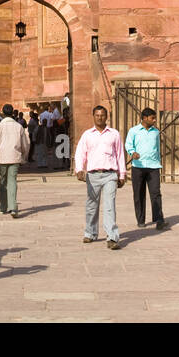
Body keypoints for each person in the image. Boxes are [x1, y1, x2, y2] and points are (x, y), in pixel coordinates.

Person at [74, 104, 125, 249]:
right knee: (92, 206)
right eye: (97, 115)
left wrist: (122, 174)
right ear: (93, 116)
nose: (100, 117)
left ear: (106, 116)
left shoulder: (114, 134)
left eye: (102, 115)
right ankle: (90, 232)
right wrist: (79, 170)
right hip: (92, 175)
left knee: (109, 206)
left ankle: (112, 237)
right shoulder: (87, 135)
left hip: (110, 174)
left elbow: (120, 155)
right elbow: (80, 153)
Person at [125, 108, 166, 229]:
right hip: (138, 167)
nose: (154, 120)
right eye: (152, 118)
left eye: (155, 118)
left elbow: (157, 148)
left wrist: (158, 161)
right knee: (139, 194)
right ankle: (141, 219)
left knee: (156, 193)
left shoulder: (156, 132)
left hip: (153, 167)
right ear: (144, 118)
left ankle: (159, 219)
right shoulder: (134, 131)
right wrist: (133, 153)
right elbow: (128, 144)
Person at [0, 102, 31, 217]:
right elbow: (25, 144)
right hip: (14, 156)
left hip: (2, 157)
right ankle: (13, 207)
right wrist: (24, 156)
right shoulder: (19, 127)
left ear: (3, 113)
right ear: (12, 113)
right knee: (12, 181)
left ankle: (3, 207)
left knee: (3, 182)